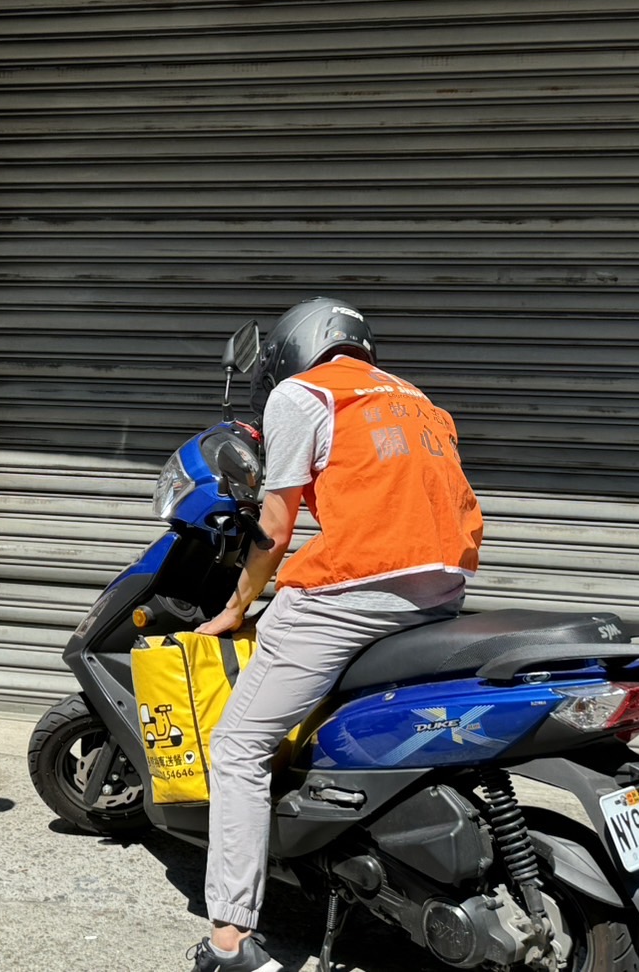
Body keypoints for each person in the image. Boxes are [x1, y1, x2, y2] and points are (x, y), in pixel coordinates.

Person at [189, 298, 483, 972]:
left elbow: (274, 526)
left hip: (354, 597)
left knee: (237, 746)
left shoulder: (303, 394)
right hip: (438, 595)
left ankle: (229, 942)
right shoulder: (415, 398)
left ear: (293, 349)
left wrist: (237, 604)